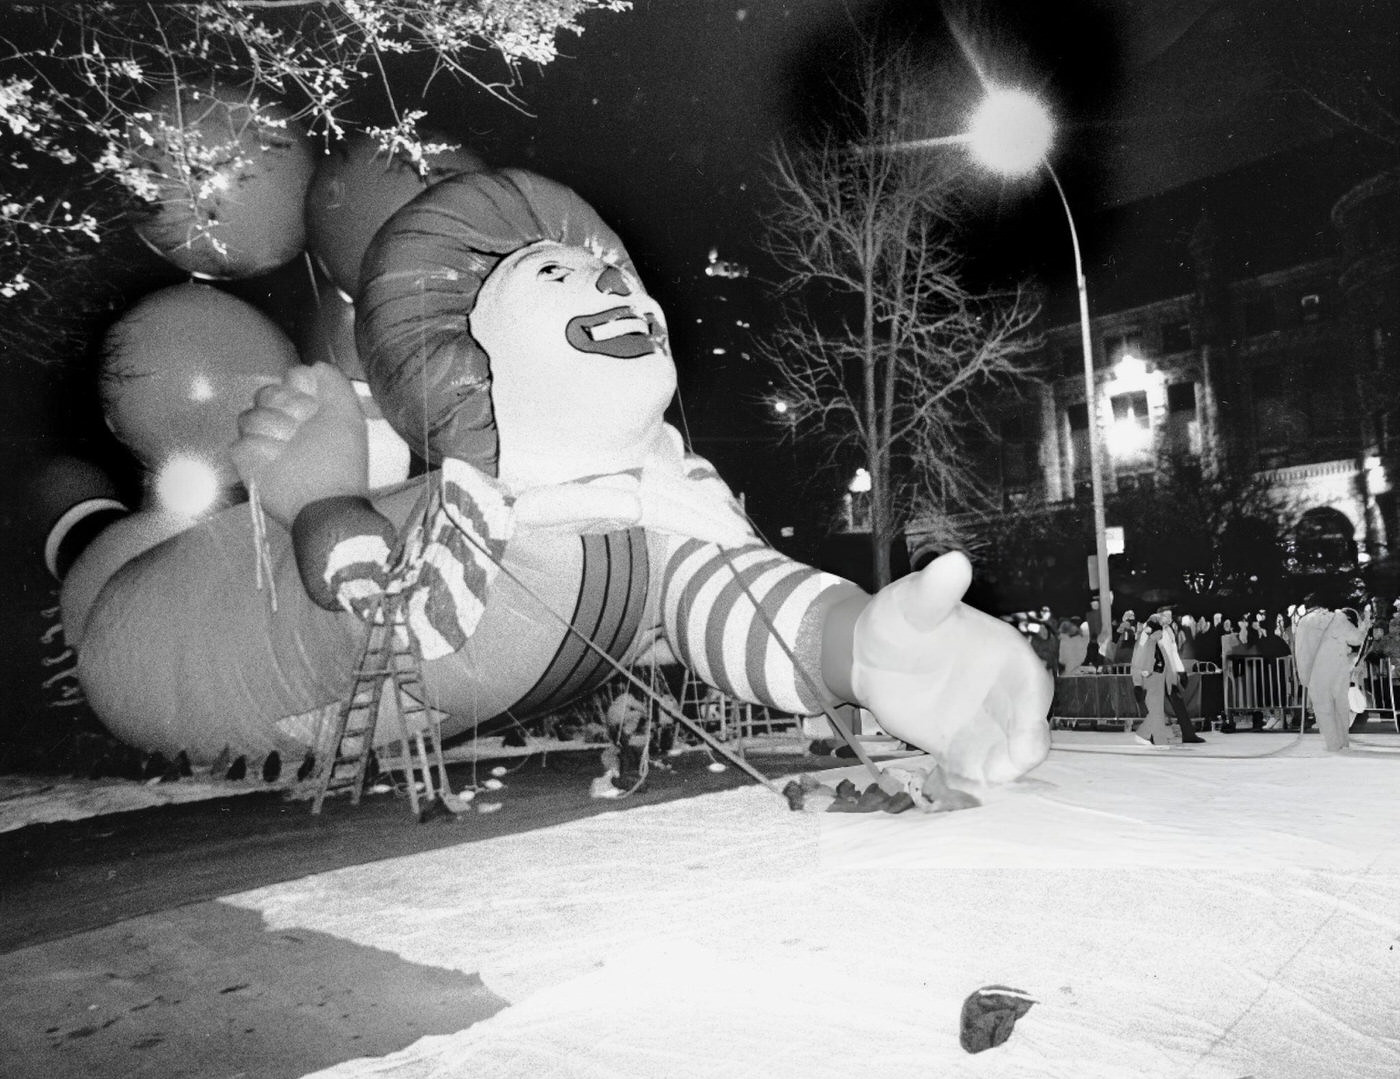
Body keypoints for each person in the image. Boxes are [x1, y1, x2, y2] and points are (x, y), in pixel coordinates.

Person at [1293, 593, 1371, 751]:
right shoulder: (1338, 618)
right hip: (1338, 667)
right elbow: (1356, 639)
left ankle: (1332, 743)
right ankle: (1343, 741)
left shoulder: (1303, 622)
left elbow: (1300, 650)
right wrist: (1364, 626)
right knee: (1340, 704)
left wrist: (1303, 676)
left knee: (1323, 706)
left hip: (1315, 670)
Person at [1152, 605, 1206, 743]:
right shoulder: (1153, 631)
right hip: (1159, 672)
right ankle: (1154, 735)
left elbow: (1174, 654)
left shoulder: (1169, 631)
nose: (1169, 619)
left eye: (1170, 616)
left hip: (1169, 673)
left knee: (1177, 703)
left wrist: (1181, 671)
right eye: (1166, 616)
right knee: (1158, 704)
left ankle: (1188, 734)